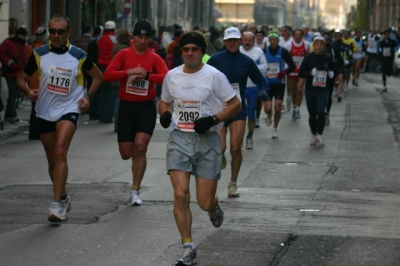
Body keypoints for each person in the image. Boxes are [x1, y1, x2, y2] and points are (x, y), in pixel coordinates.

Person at [158, 30, 241, 266]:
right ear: (181, 52)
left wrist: (214, 119)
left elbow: (235, 103)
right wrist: (164, 113)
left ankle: (213, 207)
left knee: (204, 202)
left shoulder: (214, 76)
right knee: (180, 194)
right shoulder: (172, 76)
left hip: (208, 141)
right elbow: (164, 100)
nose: (190, 53)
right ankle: (188, 246)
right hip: (180, 139)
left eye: (195, 49)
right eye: (186, 49)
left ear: (202, 52)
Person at [16, 14, 103, 222]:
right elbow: (21, 78)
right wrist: (28, 91)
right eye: (52, 31)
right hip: (44, 109)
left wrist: (88, 97)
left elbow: (98, 76)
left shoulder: (79, 55)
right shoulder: (39, 53)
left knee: (59, 152)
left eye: (60, 32)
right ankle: (63, 197)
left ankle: (56, 206)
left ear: (68, 33)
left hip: (69, 107)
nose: (55, 35)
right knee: (52, 160)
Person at [102, 20, 168, 206]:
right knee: (126, 153)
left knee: (140, 147)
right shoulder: (124, 54)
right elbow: (107, 75)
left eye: (146, 38)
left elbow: (166, 77)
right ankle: (136, 161)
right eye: (139, 37)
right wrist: (128, 72)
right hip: (126, 107)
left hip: (146, 106)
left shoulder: (154, 58)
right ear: (133, 37)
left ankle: (135, 191)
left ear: (150, 40)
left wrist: (147, 75)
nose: (142, 41)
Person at [208, 26, 269, 197]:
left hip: (237, 109)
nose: (233, 43)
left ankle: (233, 183)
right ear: (225, 42)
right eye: (229, 40)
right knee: (220, 148)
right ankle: (216, 176)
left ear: (240, 41)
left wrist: (264, 91)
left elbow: (261, 80)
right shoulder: (215, 60)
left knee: (235, 148)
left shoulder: (246, 61)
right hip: (219, 109)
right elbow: (202, 78)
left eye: (236, 40)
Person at [297, 35, 335, 147]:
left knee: (321, 111)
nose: (319, 46)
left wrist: (332, 73)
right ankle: (313, 134)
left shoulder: (327, 58)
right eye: (317, 44)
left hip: (323, 89)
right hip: (310, 90)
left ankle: (320, 135)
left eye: (321, 44)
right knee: (312, 114)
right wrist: (309, 73)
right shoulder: (308, 58)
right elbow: (301, 73)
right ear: (313, 45)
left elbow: (333, 69)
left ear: (324, 45)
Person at [264, 31, 296, 138]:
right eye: (271, 40)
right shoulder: (264, 51)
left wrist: (285, 72)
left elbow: (292, 65)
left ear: (278, 41)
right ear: (269, 41)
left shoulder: (283, 52)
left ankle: (275, 128)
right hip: (267, 84)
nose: (272, 42)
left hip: (279, 84)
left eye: (275, 40)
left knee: (277, 108)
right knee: (268, 108)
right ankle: (269, 114)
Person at [239, 31, 268, 149]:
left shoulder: (258, 52)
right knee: (238, 116)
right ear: (242, 40)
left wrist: (251, 67)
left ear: (253, 41)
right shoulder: (238, 51)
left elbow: (265, 68)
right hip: (238, 89)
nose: (247, 42)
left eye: (249, 40)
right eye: (245, 40)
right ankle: (238, 138)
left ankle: (250, 136)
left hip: (252, 88)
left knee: (251, 115)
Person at [22, 26, 49, 140]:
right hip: (43, 81)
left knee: (34, 108)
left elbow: (25, 63)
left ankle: (33, 133)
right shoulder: (47, 49)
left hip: (32, 81)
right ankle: (41, 132)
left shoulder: (30, 48)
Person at [0, 27, 28, 123]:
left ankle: (9, 114)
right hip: (9, 72)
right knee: (13, 93)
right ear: (17, 35)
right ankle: (11, 114)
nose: (23, 38)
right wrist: (9, 62)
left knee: (15, 93)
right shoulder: (8, 42)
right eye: (21, 35)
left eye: (24, 36)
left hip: (19, 73)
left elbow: (25, 60)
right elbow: (2, 53)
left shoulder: (25, 47)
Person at [284, 28, 310, 121]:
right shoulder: (288, 45)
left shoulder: (306, 45)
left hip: (302, 71)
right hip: (292, 71)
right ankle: (294, 106)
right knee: (293, 90)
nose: (298, 36)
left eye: (299, 34)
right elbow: (286, 58)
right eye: (296, 34)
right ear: (293, 35)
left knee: (299, 90)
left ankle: (297, 109)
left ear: (302, 36)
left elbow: (308, 56)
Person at [111, 29, 132, 132]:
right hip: (122, 78)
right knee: (120, 103)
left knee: (117, 101)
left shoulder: (116, 48)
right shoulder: (125, 50)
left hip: (116, 78)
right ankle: (119, 125)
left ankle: (117, 124)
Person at [322, 32, 344, 126]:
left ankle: (326, 113)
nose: (325, 41)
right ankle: (320, 113)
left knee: (328, 96)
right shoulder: (317, 48)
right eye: (324, 39)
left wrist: (338, 72)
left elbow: (340, 62)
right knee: (319, 96)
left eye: (327, 39)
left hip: (330, 76)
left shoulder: (334, 49)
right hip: (319, 77)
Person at [97, 21, 117, 123]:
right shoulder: (114, 39)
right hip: (111, 67)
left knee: (102, 91)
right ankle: (108, 116)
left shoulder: (99, 39)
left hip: (100, 67)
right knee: (111, 92)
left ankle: (101, 116)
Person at [332, 31, 352, 102]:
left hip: (341, 64)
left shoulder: (345, 45)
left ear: (341, 37)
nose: (338, 38)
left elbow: (349, 53)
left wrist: (348, 60)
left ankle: (339, 95)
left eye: (339, 36)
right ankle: (335, 88)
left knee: (340, 78)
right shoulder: (332, 45)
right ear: (334, 37)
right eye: (336, 36)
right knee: (334, 79)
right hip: (333, 65)